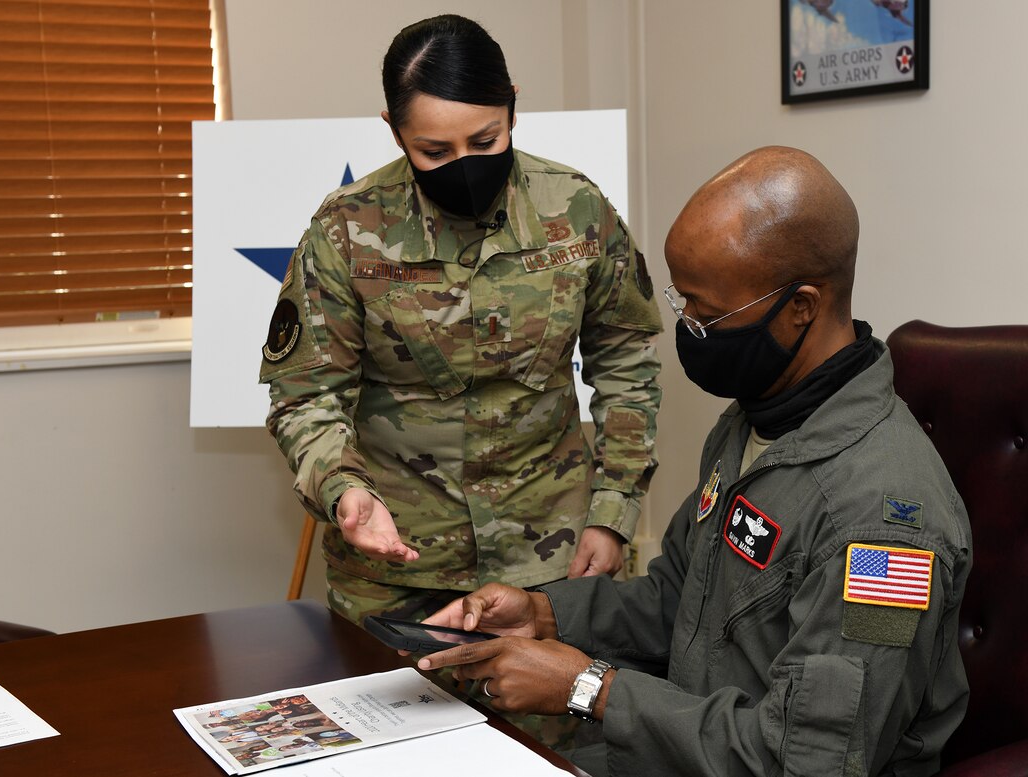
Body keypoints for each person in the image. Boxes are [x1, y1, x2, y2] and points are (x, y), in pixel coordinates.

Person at [415, 146, 972, 776]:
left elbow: (807, 761)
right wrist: (544, 615)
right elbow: (682, 598)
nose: (689, 328)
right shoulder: (757, 420)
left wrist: (590, 689)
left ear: (802, 307)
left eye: (707, 314)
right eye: (684, 305)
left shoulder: (882, 529)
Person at [259, 13, 663, 626]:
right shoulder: (348, 228)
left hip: (554, 555)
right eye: (435, 151)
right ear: (395, 132)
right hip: (395, 563)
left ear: (512, 110)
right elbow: (306, 395)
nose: (464, 164)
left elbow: (628, 368)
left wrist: (614, 512)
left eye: (484, 140)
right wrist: (345, 490)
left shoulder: (576, 208)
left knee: (556, 694)